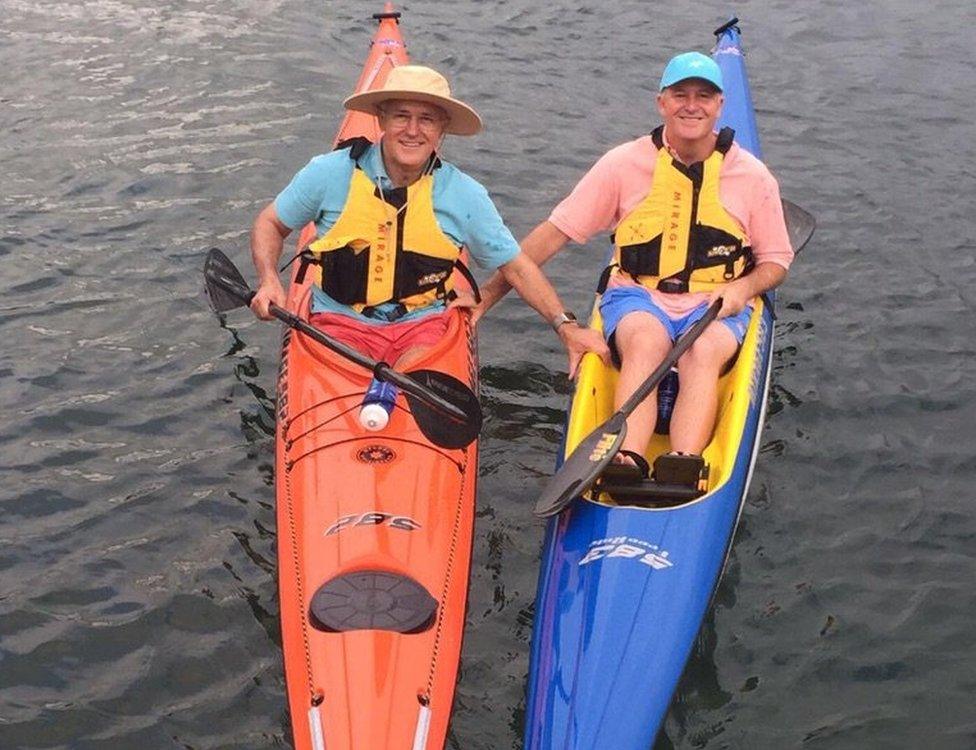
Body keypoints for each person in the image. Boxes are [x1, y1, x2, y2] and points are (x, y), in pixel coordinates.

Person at [475, 51, 794, 480]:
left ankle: (683, 462)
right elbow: (553, 234)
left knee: (703, 351)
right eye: (680, 94)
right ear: (661, 102)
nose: (691, 105)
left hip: (717, 303)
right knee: (645, 342)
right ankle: (626, 458)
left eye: (704, 96)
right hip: (637, 295)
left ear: (720, 106)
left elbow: (776, 261)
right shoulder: (622, 164)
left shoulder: (753, 177)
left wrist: (742, 289)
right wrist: (485, 298)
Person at [248, 64, 608, 375]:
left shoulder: (464, 194)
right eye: (402, 115)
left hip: (422, 331)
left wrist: (566, 327)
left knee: (414, 372)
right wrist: (268, 280)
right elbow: (270, 223)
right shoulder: (328, 174)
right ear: (381, 119)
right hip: (338, 325)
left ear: (443, 129)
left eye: (427, 119)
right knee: (350, 374)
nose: (413, 130)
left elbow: (517, 267)